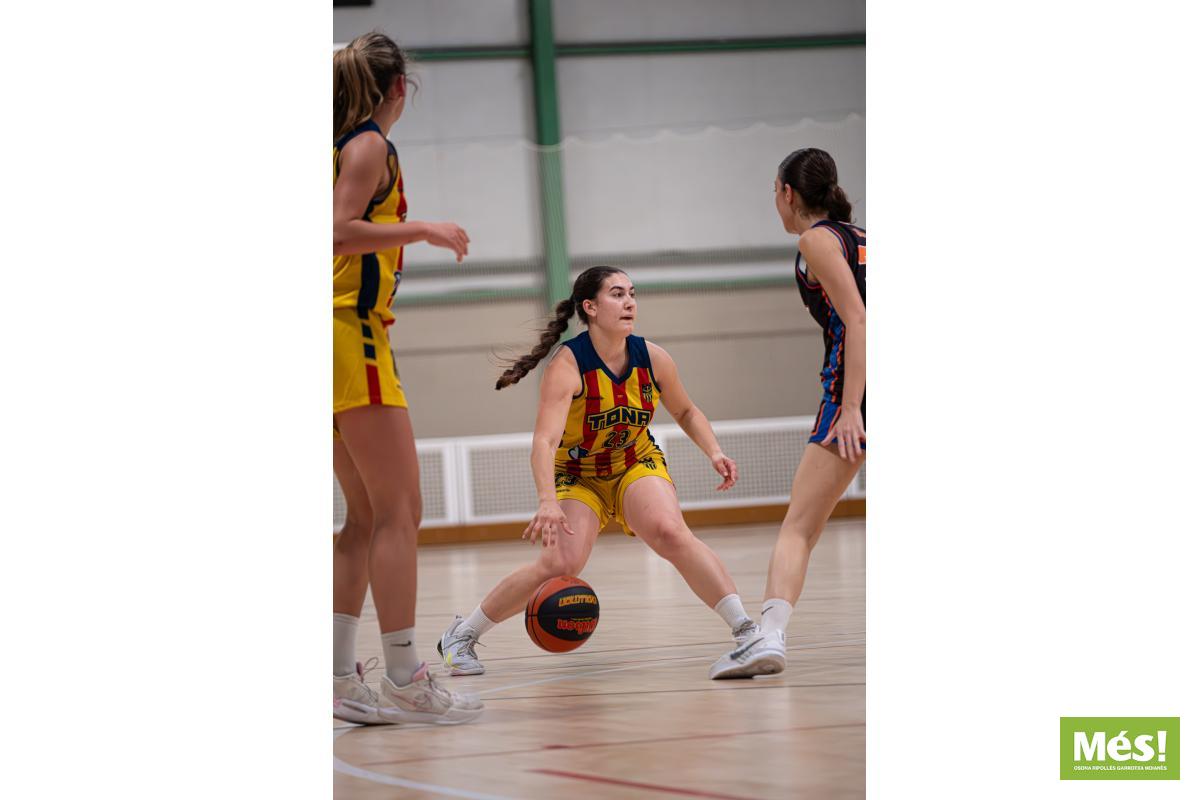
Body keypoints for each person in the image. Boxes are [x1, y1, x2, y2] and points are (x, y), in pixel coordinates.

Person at [437, 266, 762, 679]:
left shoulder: (653, 358)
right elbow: (544, 441)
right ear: (590, 307)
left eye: (632, 294)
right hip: (578, 474)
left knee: (670, 531)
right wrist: (547, 501)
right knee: (560, 563)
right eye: (617, 294)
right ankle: (462, 635)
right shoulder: (568, 365)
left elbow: (685, 411)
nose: (629, 303)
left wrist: (714, 451)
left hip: (633, 461)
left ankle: (746, 630)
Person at [331, 32, 481, 724]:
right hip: (350, 332)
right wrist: (422, 229)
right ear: (399, 88)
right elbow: (338, 231)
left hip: (335, 335)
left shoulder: (336, 147)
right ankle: (404, 676)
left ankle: (340, 677)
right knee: (400, 512)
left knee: (364, 516)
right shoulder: (368, 145)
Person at [709, 147, 866, 679]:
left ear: (787, 193)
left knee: (798, 527)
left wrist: (851, 406)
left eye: (773, 192)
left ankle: (768, 637)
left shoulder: (816, 240)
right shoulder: (860, 237)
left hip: (856, 389)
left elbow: (858, 320)